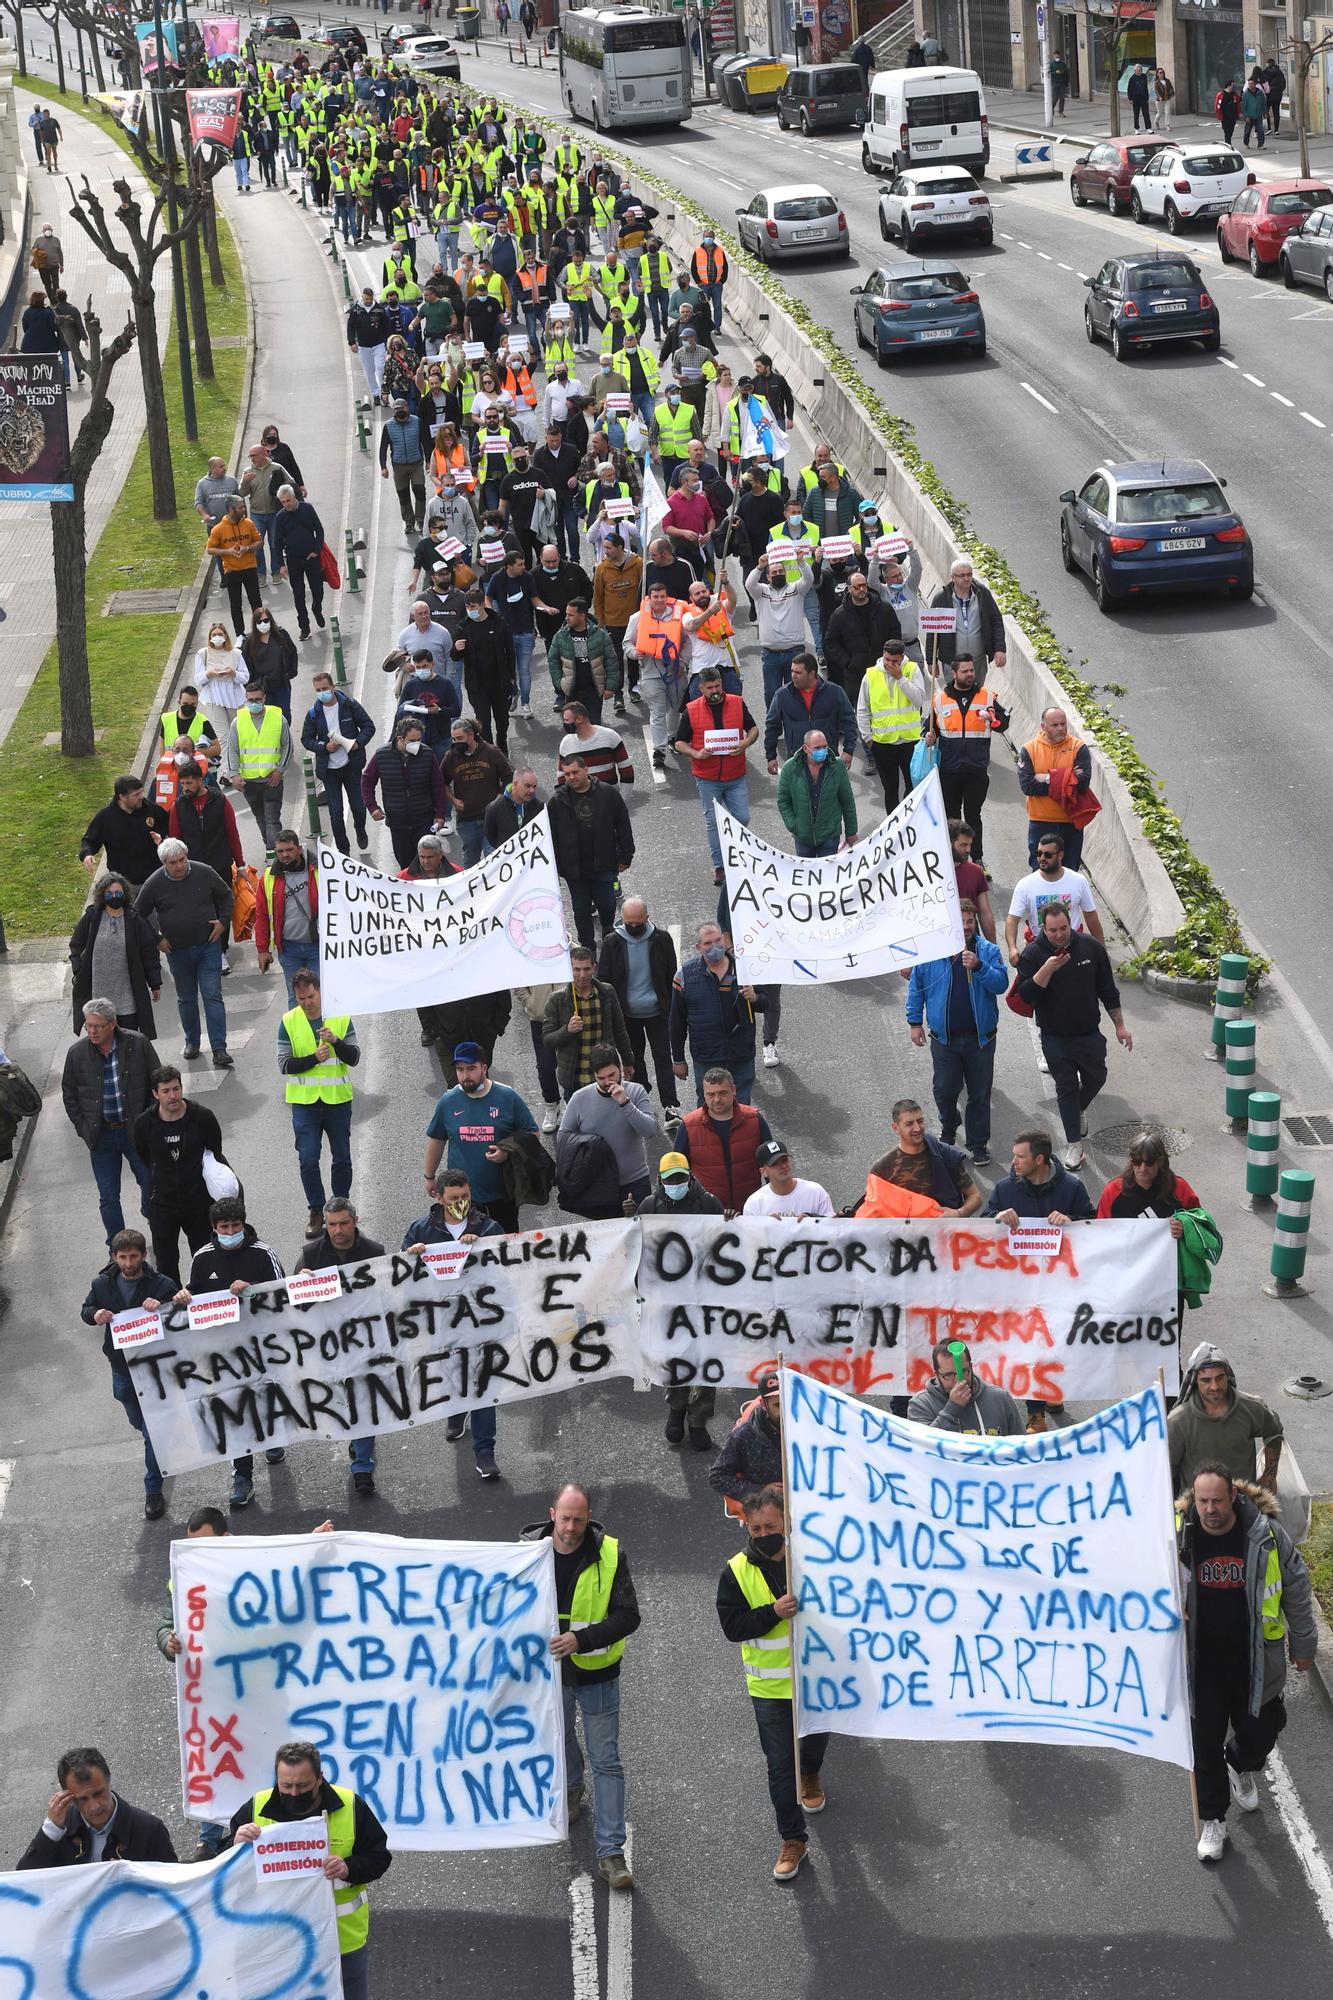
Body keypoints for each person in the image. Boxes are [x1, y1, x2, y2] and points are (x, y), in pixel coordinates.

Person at [1178, 1464, 1316, 1864]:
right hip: (1201, 1667)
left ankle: (1240, 1762)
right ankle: (1214, 1819)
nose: (1209, 1509)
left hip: (1256, 1663)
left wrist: (1304, 1643)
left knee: (1263, 1732)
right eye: (1202, 1501)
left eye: (1216, 1500)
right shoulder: (1177, 1537)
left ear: (1233, 1498)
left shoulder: (1266, 1536)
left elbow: (1296, 1584)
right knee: (1204, 1747)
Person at [523, 1482, 639, 1889]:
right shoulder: (525, 1554)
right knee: (560, 1739)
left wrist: (580, 1639)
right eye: (565, 1518)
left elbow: (629, 1617)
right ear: (551, 1514)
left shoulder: (610, 1555)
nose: (571, 1528)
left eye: (579, 1519)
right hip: (549, 1676)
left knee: (607, 1762)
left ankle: (611, 1854)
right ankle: (572, 1787)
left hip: (596, 1675)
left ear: (589, 1517)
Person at [716, 1485, 830, 1883]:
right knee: (780, 1766)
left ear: (787, 1523)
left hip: (815, 1677)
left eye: (771, 1526)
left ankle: (811, 1772)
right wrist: (773, 1613)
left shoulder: (812, 1558)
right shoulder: (735, 1572)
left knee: (813, 1742)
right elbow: (732, 1627)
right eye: (756, 1528)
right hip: (769, 1689)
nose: (764, 1534)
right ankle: (792, 1839)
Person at [228, 1742, 391, 1998]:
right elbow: (221, 1866)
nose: (294, 1793)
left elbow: (379, 1857)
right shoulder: (256, 1807)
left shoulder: (350, 1806)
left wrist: (349, 1867)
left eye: (302, 1786)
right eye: (286, 1786)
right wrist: (236, 1844)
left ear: (319, 1779)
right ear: (278, 1780)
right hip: (277, 1941)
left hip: (341, 1941)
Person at [177, 1196, 286, 1506]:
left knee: (265, 1399)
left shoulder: (263, 1254)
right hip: (222, 1351)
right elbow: (194, 1295)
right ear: (214, 1228)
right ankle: (243, 1476)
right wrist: (185, 1294)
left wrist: (251, 1288)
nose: (230, 1230)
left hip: (260, 1345)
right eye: (223, 1226)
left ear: (244, 1224)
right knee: (234, 1409)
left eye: (235, 1225)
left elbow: (282, 1297)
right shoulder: (202, 1258)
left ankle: (273, 1438)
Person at [402, 1167, 506, 1476]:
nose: (460, 1202)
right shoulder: (421, 1230)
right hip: (442, 1322)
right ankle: (457, 1412)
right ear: (438, 1197)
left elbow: (509, 1265)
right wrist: (412, 1255)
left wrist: (483, 1249)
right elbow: (400, 1272)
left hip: (481, 1321)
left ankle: (485, 1450)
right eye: (453, 1198)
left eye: (465, 1197)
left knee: (483, 1384)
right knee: (450, 1374)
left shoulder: (488, 1228)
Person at [1017, 904, 1132, 1170]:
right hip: (1054, 1037)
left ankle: (1077, 1108)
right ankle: (1074, 1145)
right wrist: (1046, 969)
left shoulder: (1090, 947)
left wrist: (1120, 1026)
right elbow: (1024, 995)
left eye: (1063, 928)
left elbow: (1107, 989)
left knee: (1097, 1077)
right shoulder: (1034, 954)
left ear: (1071, 924)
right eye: (1053, 930)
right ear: (1043, 929)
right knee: (1065, 1088)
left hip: (1088, 1034)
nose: (1059, 935)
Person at [78, 1229, 177, 1519]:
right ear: (114, 1257)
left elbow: (181, 1312)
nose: (129, 1262)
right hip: (121, 1368)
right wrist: (95, 1315)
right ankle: (157, 1443)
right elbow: (87, 1309)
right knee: (136, 1418)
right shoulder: (101, 1284)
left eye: (134, 1256)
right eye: (123, 1257)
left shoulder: (161, 1284)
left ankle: (153, 1490)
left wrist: (163, 1307)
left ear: (144, 1256)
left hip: (155, 1368)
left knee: (150, 1432)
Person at [905, 899, 1007, 1164]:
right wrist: (915, 1022)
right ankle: (949, 1129)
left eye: (970, 922)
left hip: (981, 1040)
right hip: (944, 1040)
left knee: (979, 1094)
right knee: (945, 1090)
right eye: (960, 922)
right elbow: (917, 987)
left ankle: (978, 1143)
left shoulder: (988, 951)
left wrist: (979, 966)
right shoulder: (930, 953)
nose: (966, 927)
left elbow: (1001, 984)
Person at [638, 1152, 724, 1439]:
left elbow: (722, 1245)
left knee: (704, 1356)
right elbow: (639, 1249)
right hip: (668, 1299)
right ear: (660, 1180)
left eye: (680, 1177)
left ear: (690, 1176)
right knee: (674, 1355)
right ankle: (676, 1408)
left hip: (703, 1295)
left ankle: (698, 1419)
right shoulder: (650, 1206)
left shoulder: (709, 1203)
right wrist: (628, 1221)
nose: (676, 1183)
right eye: (670, 1179)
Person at [63, 1000, 158, 1240]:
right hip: (101, 1136)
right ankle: (117, 1249)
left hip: (135, 1132)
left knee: (151, 1186)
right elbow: (70, 1095)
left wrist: (149, 1122)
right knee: (108, 1198)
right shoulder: (76, 1054)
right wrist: (84, 1129)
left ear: (113, 1024)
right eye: (89, 1026)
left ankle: (154, 1224)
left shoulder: (138, 1044)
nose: (92, 1031)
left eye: (98, 1026)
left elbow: (156, 1083)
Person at [134, 841, 233, 1068]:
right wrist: (157, 939)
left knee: (212, 996)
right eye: (173, 863)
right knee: (186, 999)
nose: (179, 866)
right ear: (164, 864)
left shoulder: (204, 872)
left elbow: (226, 895)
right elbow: (138, 914)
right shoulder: (154, 883)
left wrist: (223, 922)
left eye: (182, 860)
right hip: (177, 951)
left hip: (208, 946)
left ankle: (220, 1048)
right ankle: (192, 1042)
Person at [423, 1042, 538, 1235]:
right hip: (462, 1195)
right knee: (467, 1245)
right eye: (460, 1070)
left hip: (502, 1193)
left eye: (471, 1069)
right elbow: (436, 1139)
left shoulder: (507, 1097)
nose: (465, 1075)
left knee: (505, 1240)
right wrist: (429, 1177)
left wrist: (507, 1151)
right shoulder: (448, 1101)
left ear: (484, 1068)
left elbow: (532, 1133)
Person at [280, 970, 358, 1239]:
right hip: (305, 1104)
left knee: (342, 1158)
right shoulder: (288, 1021)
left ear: (320, 991)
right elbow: (285, 1064)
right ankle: (316, 1210)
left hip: (337, 1101)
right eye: (301, 998)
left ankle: (341, 1208)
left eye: (310, 996)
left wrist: (336, 1042)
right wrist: (314, 1058)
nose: (306, 1003)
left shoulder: (341, 1016)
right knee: (308, 1159)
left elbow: (354, 1056)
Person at [132, 1064, 226, 1282]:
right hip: (162, 1205)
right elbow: (145, 1157)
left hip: (199, 1203)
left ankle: (207, 1304)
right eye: (166, 1091)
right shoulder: (144, 1124)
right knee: (165, 1264)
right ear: (155, 1094)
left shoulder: (203, 1117)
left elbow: (216, 1152)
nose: (173, 1096)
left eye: (176, 1089)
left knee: (207, 1260)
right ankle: (174, 1309)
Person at [17, 1747, 176, 1867]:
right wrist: (50, 1832)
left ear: (109, 1782)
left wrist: (134, 1880)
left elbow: (173, 1886)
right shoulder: (59, 1830)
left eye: (98, 1793)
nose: (94, 1807)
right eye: (82, 1799)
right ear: (67, 1797)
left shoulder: (150, 1829)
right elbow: (26, 1881)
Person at [598, 897, 680, 1125]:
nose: (633, 927)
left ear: (647, 918)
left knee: (663, 1058)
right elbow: (604, 980)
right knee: (634, 1060)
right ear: (622, 920)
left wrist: (673, 1009)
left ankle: (670, 1105)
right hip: (627, 1015)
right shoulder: (612, 942)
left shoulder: (662, 939)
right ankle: (642, 1100)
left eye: (638, 922)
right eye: (629, 923)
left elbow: (672, 975)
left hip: (657, 1013)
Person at [675, 664, 759, 882]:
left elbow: (753, 729)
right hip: (707, 777)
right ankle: (720, 865)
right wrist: (696, 752)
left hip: (735, 774)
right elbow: (679, 743)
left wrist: (746, 743)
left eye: (718, 686)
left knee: (742, 817)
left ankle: (736, 852)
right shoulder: (691, 710)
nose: (715, 691)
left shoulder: (737, 703)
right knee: (713, 822)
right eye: (710, 687)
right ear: (701, 688)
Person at [670, 924, 766, 1105]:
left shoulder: (744, 968)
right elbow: (677, 1021)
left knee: (742, 1108)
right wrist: (678, 1059)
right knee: (709, 1108)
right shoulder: (684, 976)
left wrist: (755, 998)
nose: (715, 946)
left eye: (718, 940)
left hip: (741, 1053)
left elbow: (766, 1002)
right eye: (708, 943)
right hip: (707, 1057)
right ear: (698, 947)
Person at [1170, 1344, 1284, 1496]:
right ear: (1195, 1381)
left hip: (1244, 1504)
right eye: (1206, 1380)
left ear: (1228, 1375)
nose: (1215, 1386)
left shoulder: (1251, 1408)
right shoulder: (1179, 1421)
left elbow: (1274, 1432)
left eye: (1220, 1378)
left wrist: (1269, 1477)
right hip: (1198, 1509)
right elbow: (1166, 1472)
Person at [558, 1043, 657, 1215]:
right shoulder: (579, 1099)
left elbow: (649, 1130)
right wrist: (592, 1145)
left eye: (611, 1075)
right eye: (600, 1078)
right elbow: (563, 1139)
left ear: (620, 1068)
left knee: (640, 1238)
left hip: (635, 1182)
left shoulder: (636, 1091)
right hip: (599, 1186)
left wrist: (625, 1103)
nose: (607, 1082)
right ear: (594, 1075)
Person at [547, 754, 634, 948]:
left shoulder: (607, 794)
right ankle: (588, 948)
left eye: (575, 772)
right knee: (581, 910)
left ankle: (607, 928)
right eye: (567, 773)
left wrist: (626, 854)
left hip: (604, 863)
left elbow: (622, 824)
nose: (571, 777)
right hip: (574, 870)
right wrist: (558, 865)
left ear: (586, 770)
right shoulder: (557, 801)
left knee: (608, 904)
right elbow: (551, 837)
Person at [928, 654, 1007, 865]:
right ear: (954, 674)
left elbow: (1005, 723)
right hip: (950, 770)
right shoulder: (938, 699)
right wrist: (928, 737)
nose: (970, 674)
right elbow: (929, 729)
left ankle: (978, 859)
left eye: (972, 670)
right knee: (953, 818)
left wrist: (994, 719)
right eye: (965, 671)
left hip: (976, 769)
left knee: (973, 816)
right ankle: (955, 861)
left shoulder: (987, 696)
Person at [69, 875, 161, 1037]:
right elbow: (76, 944)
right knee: (100, 1041)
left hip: (127, 998)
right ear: (101, 896)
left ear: (125, 894)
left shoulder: (135, 920)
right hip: (97, 997)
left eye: (118, 893)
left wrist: (154, 983)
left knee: (128, 1043)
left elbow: (149, 953)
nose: (114, 897)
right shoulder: (92, 918)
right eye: (109, 893)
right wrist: (78, 970)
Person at [676, 1067, 772, 1216]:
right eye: (711, 1094)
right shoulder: (688, 1126)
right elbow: (677, 1172)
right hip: (708, 1214)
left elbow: (770, 1166)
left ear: (733, 1090)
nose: (717, 1099)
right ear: (704, 1094)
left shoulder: (755, 1120)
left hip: (750, 1211)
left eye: (722, 1093)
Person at [543, 946, 635, 1097]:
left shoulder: (607, 993)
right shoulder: (557, 999)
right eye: (577, 969)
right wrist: (567, 1030)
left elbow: (619, 1030)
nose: (582, 975)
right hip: (574, 1079)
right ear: (569, 969)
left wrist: (627, 1061)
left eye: (587, 969)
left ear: (594, 968)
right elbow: (548, 1040)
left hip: (604, 1078)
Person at [864, 1098, 982, 1216]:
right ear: (895, 1127)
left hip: (944, 1230)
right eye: (909, 1124)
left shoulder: (944, 1154)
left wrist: (958, 1213)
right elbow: (873, 1209)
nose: (917, 1128)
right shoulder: (883, 1168)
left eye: (920, 1121)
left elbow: (975, 1196)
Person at [302, 673, 375, 856]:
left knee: (359, 806)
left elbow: (368, 726)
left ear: (333, 687)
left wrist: (358, 742)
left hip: (352, 766)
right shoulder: (313, 713)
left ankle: (360, 828)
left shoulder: (350, 705)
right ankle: (344, 850)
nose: (322, 693)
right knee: (336, 812)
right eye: (318, 690)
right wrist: (324, 747)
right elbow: (306, 739)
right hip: (329, 771)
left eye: (325, 689)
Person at [362, 716, 449, 869]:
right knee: (406, 867)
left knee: (427, 864)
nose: (416, 745)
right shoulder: (382, 755)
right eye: (412, 741)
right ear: (400, 738)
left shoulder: (427, 754)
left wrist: (440, 814)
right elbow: (367, 781)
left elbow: (438, 786)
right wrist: (372, 807)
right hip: (398, 823)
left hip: (423, 820)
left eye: (419, 740)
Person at [1005, 833, 1103, 964]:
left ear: (1061, 855)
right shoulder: (1025, 885)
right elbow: (1012, 920)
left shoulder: (1078, 881)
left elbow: (1090, 916)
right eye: (1039, 854)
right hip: (1038, 953)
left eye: (1048, 855)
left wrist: (1101, 949)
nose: (1042, 858)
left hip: (1072, 951)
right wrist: (1012, 948)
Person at [1018, 707, 1093, 872]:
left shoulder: (1079, 748)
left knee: (1069, 871)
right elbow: (1028, 786)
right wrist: (1068, 777)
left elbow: (1082, 784)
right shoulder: (1029, 749)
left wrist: (1046, 778)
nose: (1060, 728)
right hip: (1040, 822)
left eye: (1063, 724)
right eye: (1055, 725)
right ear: (1043, 727)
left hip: (1070, 822)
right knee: (1040, 870)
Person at [221, 683, 292, 857]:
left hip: (272, 779)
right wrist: (234, 775)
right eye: (250, 700)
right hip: (249, 782)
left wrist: (279, 771)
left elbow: (288, 746)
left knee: (272, 818)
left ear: (264, 698)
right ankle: (271, 848)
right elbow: (232, 749)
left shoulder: (278, 718)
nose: (254, 703)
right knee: (261, 818)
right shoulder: (238, 722)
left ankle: (275, 853)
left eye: (257, 699)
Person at [908, 1339, 1027, 1436]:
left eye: (964, 1371)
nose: (958, 1381)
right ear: (937, 1374)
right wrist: (952, 1410)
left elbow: (1022, 1446)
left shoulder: (1000, 1398)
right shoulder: (921, 1405)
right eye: (948, 1375)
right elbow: (924, 1451)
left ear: (971, 1366)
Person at [763, 653, 858, 770]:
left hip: (828, 761)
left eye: (798, 672)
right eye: (792, 671)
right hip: (797, 763)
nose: (793, 676)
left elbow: (849, 721)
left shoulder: (834, 692)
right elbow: (772, 726)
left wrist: (848, 751)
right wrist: (771, 756)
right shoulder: (782, 695)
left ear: (812, 673)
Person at [442, 714, 514, 867]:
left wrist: (500, 798)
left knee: (493, 862)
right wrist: (453, 800)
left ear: (471, 736)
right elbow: (442, 783)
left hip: (492, 817)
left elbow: (509, 777)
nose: (456, 743)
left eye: (459, 738)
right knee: (470, 864)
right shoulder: (451, 756)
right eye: (453, 739)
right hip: (466, 820)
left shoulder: (492, 752)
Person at [985, 1128, 1096, 1226]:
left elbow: (1091, 1222)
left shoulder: (1072, 1187)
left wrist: (1070, 1221)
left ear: (1039, 1159)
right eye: (1014, 1155)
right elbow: (983, 1221)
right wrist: (997, 1217)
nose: (1014, 1162)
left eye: (1020, 1157)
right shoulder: (1004, 1188)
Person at [776, 728, 856, 860]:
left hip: (829, 836)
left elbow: (847, 801)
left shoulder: (837, 767)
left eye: (825, 747)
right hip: (803, 838)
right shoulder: (790, 768)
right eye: (817, 748)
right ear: (805, 748)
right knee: (807, 877)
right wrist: (794, 825)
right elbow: (783, 800)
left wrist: (851, 831)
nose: (822, 751)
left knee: (827, 877)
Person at [748, 551, 813, 709]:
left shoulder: (796, 589)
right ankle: (774, 728)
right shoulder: (761, 592)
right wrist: (760, 566)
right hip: (770, 654)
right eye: (774, 572)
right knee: (771, 694)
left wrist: (801, 562)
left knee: (797, 693)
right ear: (768, 576)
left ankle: (795, 726)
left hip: (795, 652)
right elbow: (749, 584)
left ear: (786, 573)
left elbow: (809, 579)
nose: (778, 574)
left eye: (780, 572)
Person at [79, 776, 165, 889]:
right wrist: (87, 854)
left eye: (141, 792)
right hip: (124, 884)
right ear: (122, 797)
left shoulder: (153, 810)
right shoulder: (106, 818)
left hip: (154, 880)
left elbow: (168, 828)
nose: (141, 797)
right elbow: (89, 840)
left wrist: (162, 839)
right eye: (136, 794)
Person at [548, 601, 621, 725]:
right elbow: (552, 659)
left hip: (593, 691)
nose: (567, 618)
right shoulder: (561, 636)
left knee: (594, 726)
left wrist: (610, 687)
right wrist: (559, 683)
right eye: (566, 614)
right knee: (571, 727)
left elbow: (611, 661)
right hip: (571, 691)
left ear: (582, 616)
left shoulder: (600, 635)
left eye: (571, 615)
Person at [930, 559, 1006, 676]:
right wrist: (931, 661)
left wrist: (1000, 648)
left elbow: (996, 620)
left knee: (977, 694)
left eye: (969, 574)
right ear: (953, 578)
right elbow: (932, 631)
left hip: (977, 661)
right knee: (953, 695)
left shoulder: (982, 594)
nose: (967, 578)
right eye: (962, 575)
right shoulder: (941, 599)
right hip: (952, 663)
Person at [273, 485, 328, 640]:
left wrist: (316, 550)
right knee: (298, 595)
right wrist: (281, 565)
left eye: (288, 501)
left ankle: (317, 608)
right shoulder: (280, 517)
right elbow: (277, 542)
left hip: (311, 558)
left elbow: (319, 529)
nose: (286, 504)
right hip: (293, 560)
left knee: (318, 589)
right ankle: (304, 626)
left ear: (294, 497)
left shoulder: (307, 508)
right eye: (282, 502)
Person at [207, 495, 265, 634]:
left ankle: (261, 629)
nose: (244, 510)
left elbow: (259, 541)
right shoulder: (218, 529)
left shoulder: (249, 523)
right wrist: (227, 551)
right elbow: (210, 549)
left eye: (243, 506)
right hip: (232, 571)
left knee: (256, 602)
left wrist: (247, 548)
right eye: (240, 507)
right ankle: (240, 634)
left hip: (250, 568)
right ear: (231, 509)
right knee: (235, 604)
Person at [743, 1141, 834, 1219]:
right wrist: (766, 1227)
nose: (783, 1166)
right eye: (774, 1163)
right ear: (763, 1172)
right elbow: (749, 1237)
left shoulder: (816, 1192)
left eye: (784, 1160)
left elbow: (833, 1228)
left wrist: (814, 1220)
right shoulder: (754, 1203)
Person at [240, 606, 298, 719]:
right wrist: (251, 685)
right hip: (261, 688)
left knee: (285, 716)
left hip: (281, 684)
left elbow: (292, 652)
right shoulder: (249, 641)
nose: (263, 624)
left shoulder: (281, 635)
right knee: (267, 718)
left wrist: (291, 672)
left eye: (266, 620)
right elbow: (244, 665)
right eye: (259, 621)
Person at [560, 702, 635, 786]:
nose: (564, 723)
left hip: (609, 798)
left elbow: (626, 769)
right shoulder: (566, 742)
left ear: (579, 719)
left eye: (566, 720)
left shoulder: (610, 736)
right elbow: (561, 775)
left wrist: (622, 798)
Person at [950, 819, 996, 942]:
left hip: (970, 943)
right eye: (963, 845)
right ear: (949, 843)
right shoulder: (931, 873)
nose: (968, 850)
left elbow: (984, 913)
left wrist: (993, 949)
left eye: (970, 844)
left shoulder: (976, 872)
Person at [1241, 74, 1267, 148]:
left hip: (1258, 115)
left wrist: (1265, 112)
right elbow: (1243, 106)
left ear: (1255, 84)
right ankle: (1246, 143)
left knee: (1260, 130)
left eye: (1251, 84)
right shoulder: (1245, 94)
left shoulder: (1260, 94)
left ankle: (1260, 144)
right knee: (1247, 131)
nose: (1250, 85)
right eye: (1249, 84)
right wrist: (1246, 116)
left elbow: (1263, 103)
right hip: (1249, 115)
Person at [1127, 62, 1152, 132]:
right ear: (1135, 71)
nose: (1138, 72)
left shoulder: (1144, 76)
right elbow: (1129, 89)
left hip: (1143, 98)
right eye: (1137, 71)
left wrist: (1147, 97)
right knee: (1136, 114)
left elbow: (1146, 87)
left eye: (1139, 70)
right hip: (1136, 98)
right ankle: (1136, 128)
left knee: (1146, 113)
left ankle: (1148, 128)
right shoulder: (1132, 78)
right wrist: (1130, 99)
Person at [1215, 78, 1241, 146]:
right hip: (1225, 117)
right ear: (1228, 86)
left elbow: (1237, 104)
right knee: (1226, 131)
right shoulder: (1221, 95)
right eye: (1232, 85)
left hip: (1233, 116)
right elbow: (1217, 106)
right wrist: (1219, 115)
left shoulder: (1234, 94)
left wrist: (1239, 113)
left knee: (1231, 131)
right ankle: (1228, 144)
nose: (1232, 87)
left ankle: (1228, 142)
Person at [1153, 65, 1174, 131]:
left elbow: (1171, 88)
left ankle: (1167, 125)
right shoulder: (1156, 83)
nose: (1162, 74)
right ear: (1157, 74)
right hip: (1160, 100)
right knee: (1160, 113)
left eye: (1162, 72)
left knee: (1167, 112)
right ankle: (1156, 121)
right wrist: (1159, 97)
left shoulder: (1167, 81)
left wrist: (1172, 93)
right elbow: (1156, 91)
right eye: (1160, 72)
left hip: (1167, 99)